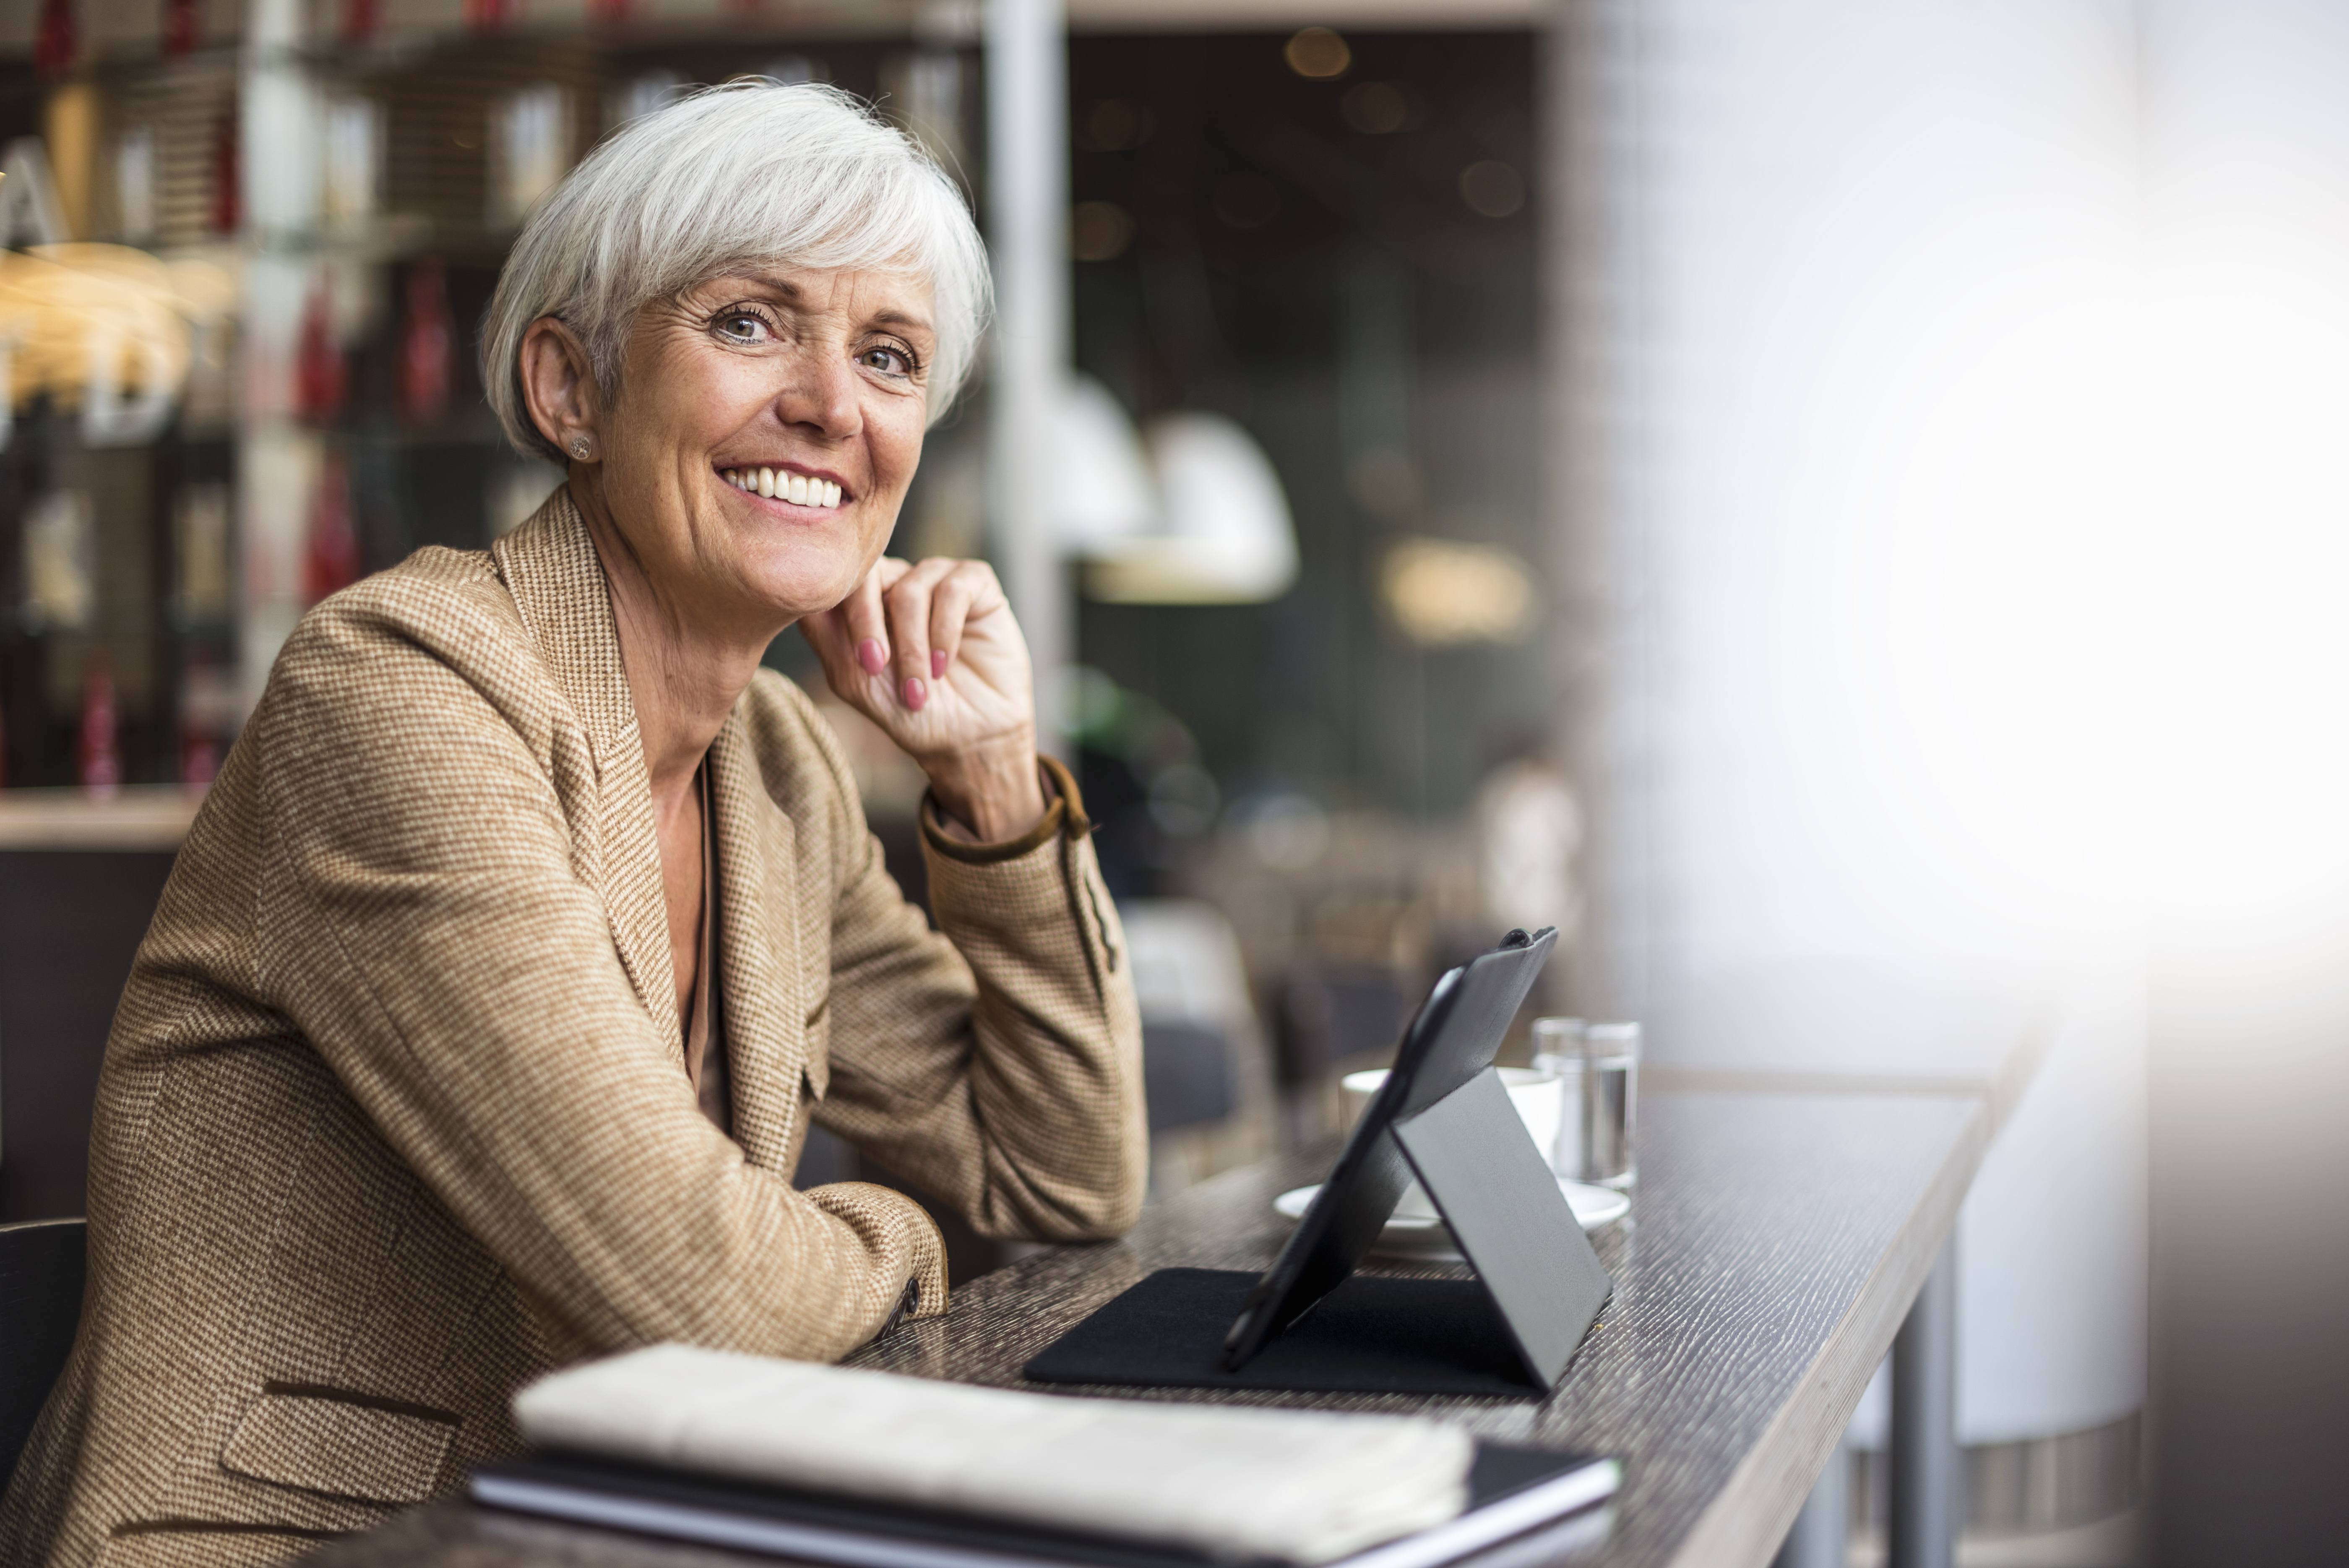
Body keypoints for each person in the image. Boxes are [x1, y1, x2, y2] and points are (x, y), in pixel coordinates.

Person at [0, 84, 1145, 1567]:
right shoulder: (401, 687)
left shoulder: (780, 760)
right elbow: (699, 1287)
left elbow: (1060, 1182)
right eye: (749, 322)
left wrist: (990, 782)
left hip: (604, 1532)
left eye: (888, 356)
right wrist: (912, 1244)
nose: (831, 405)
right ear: (571, 392)